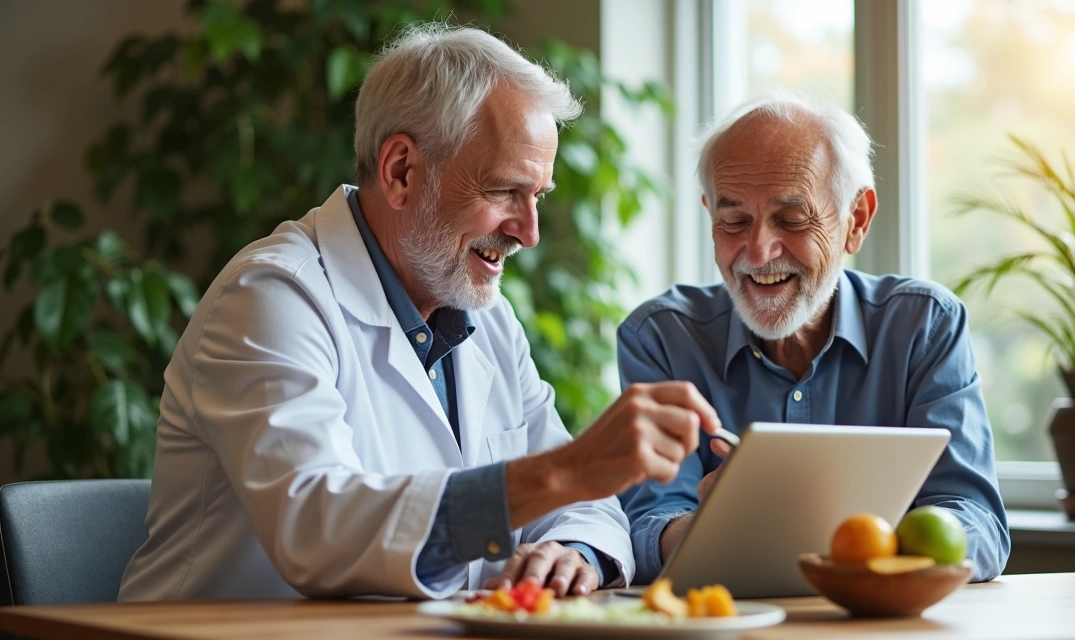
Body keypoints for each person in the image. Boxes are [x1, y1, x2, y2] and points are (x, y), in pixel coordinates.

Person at [119, 24, 721, 601]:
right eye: (504, 191)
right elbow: (317, 529)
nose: (530, 233)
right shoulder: (270, 296)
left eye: (537, 197)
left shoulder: (487, 318)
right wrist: (566, 472)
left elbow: (589, 510)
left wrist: (571, 552)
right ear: (402, 171)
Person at [616, 95, 1010, 585]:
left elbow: (976, 520)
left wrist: (855, 546)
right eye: (734, 221)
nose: (758, 253)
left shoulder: (925, 326)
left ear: (857, 220)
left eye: (792, 218)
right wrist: (711, 529)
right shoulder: (660, 336)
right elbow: (645, 525)